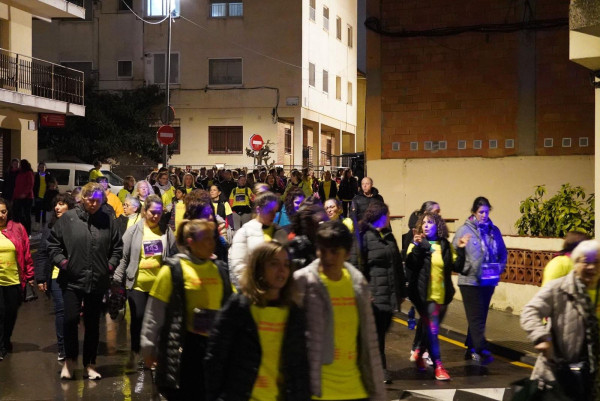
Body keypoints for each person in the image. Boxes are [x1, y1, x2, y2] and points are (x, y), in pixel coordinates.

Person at [140, 219, 233, 401]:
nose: (211, 243)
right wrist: (148, 347)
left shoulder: (220, 269)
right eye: (205, 239)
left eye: (212, 238)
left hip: (214, 350)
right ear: (190, 241)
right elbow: (154, 313)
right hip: (184, 350)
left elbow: (232, 308)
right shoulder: (173, 270)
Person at [205, 241, 310, 401]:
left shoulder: (293, 312)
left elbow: (299, 367)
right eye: (274, 264)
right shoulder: (239, 307)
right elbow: (216, 358)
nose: (282, 270)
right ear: (259, 268)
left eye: (286, 264)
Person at [294, 221, 385, 400]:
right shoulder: (302, 282)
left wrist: (377, 391)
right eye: (322, 249)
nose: (327, 257)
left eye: (334, 251)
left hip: (356, 389)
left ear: (347, 253)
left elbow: (369, 342)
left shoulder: (358, 284)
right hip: (319, 391)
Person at [47, 182, 123, 380]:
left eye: (98, 201)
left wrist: (109, 266)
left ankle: (90, 364)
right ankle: (69, 362)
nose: (94, 204)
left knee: (92, 325)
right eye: (91, 200)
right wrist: (63, 263)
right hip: (72, 279)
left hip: (97, 281)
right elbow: (53, 244)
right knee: (70, 320)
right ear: (83, 198)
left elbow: (117, 248)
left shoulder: (108, 220)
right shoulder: (69, 219)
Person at [521, 240, 600, 401]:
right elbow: (530, 311)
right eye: (586, 262)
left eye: (597, 262)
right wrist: (541, 337)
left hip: (594, 374)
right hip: (561, 372)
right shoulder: (559, 288)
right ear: (575, 263)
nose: (592, 267)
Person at [113, 195, 177, 371]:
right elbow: (123, 258)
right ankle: (135, 352)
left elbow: (173, 255)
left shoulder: (166, 231)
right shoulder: (133, 231)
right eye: (152, 212)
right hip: (138, 284)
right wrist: (117, 281)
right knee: (138, 320)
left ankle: (152, 356)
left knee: (158, 322)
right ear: (144, 211)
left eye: (159, 212)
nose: (156, 216)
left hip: (159, 286)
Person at [405, 211, 470, 381]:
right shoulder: (417, 243)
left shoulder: (445, 245)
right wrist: (419, 247)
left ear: (438, 226)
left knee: (430, 329)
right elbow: (411, 265)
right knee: (433, 330)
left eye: (430, 222)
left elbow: (457, 266)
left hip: (442, 296)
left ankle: (419, 353)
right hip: (424, 296)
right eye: (424, 222)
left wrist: (462, 250)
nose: (426, 225)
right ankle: (439, 365)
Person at [351, 201, 406, 384]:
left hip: (388, 295)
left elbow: (397, 264)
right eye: (388, 215)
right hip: (372, 295)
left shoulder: (389, 237)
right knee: (376, 335)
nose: (389, 218)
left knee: (380, 332)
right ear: (379, 216)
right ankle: (378, 369)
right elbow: (355, 267)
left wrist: (402, 290)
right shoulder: (363, 236)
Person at [453, 196, 507, 365]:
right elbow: (454, 252)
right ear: (474, 213)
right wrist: (460, 248)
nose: (484, 215)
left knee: (479, 316)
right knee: (476, 317)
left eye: (486, 211)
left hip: (488, 280)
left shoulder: (494, 230)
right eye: (480, 212)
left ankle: (471, 347)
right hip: (469, 280)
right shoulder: (464, 230)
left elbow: (503, 253)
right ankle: (480, 349)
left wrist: (499, 268)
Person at [34, 193, 76, 361]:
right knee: (61, 309)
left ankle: (71, 344)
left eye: (61, 204)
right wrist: (41, 278)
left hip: (75, 275)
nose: (57, 207)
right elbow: (42, 254)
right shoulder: (50, 227)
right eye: (56, 204)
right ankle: (62, 348)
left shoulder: (78, 225)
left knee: (72, 312)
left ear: (69, 207)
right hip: (56, 275)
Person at [0, 198, 35, 360]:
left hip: (14, 280)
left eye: (3, 211)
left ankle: (6, 338)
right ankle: (1, 345)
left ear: (8, 212)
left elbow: (27, 254)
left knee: (11, 313)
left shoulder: (18, 229)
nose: (0, 215)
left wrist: (30, 275)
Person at [229, 192, 287, 286]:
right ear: (258, 209)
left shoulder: (280, 232)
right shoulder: (244, 232)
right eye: (269, 211)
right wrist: (251, 286)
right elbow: (238, 266)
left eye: (275, 211)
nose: (273, 215)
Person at [288, 203, 328, 271]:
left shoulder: (323, 245)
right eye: (321, 222)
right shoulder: (297, 247)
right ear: (311, 225)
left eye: (326, 221)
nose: (325, 225)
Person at [12, 159, 34, 235]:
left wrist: (25, 194)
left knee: (26, 215)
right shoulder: (19, 173)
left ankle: (28, 232)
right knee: (18, 215)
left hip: (27, 198)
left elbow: (30, 185)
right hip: (18, 197)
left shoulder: (29, 173)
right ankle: (19, 230)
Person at [33, 161, 52, 229]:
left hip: (46, 196)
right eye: (40, 167)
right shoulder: (36, 176)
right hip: (38, 196)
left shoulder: (48, 176)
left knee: (44, 211)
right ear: (38, 168)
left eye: (43, 167)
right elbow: (34, 186)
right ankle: (37, 224)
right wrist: (35, 195)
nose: (42, 168)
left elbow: (51, 184)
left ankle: (44, 225)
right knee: (37, 211)